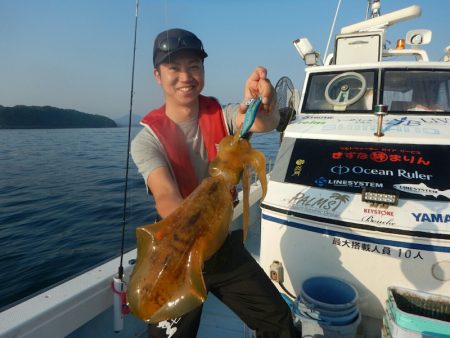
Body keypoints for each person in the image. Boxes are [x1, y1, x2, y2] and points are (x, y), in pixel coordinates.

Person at [131, 28, 297, 338]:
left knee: (278, 322)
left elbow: (260, 122)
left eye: (194, 66)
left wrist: (262, 105)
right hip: (175, 251)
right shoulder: (147, 141)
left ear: (203, 70)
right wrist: (190, 239)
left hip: (221, 246)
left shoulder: (223, 116)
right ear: (158, 75)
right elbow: (166, 198)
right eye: (174, 68)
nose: (186, 76)